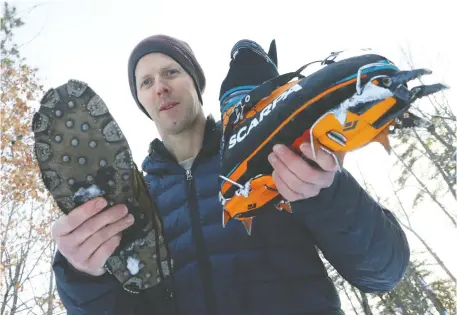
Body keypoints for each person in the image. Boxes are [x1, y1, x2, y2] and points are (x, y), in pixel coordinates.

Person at [51, 34, 410, 315]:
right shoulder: (133, 208)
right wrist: (82, 275)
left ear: (195, 83)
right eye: (145, 82)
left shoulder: (274, 155)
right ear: (142, 102)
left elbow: (383, 271)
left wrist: (328, 192)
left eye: (171, 72)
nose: (159, 86)